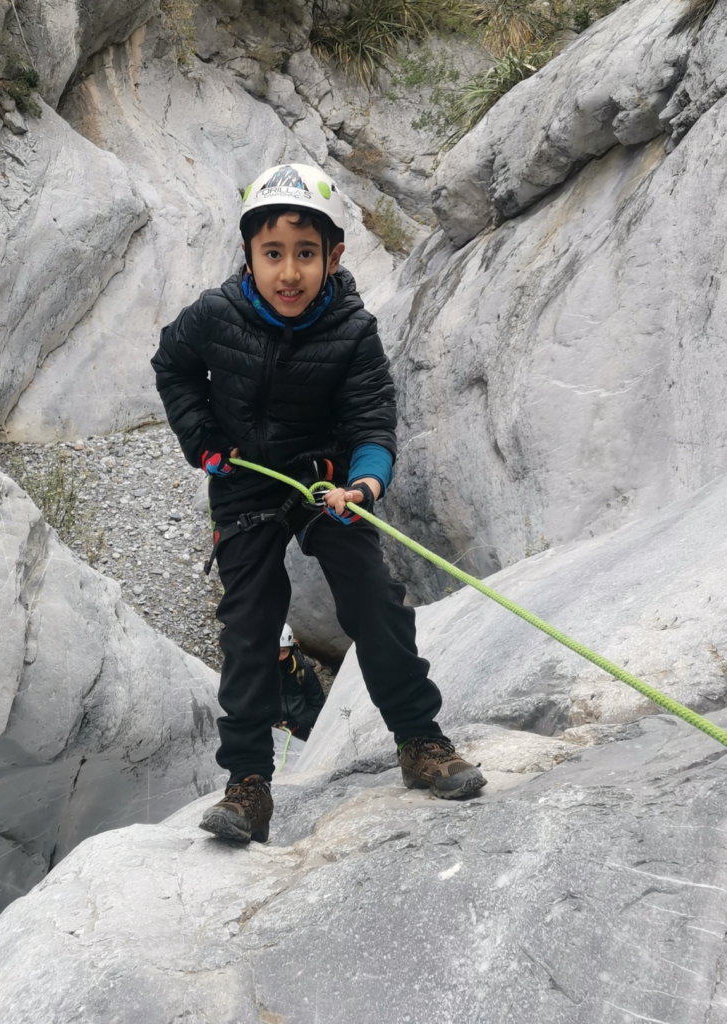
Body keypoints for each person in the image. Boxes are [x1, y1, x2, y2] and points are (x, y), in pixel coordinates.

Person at [152, 162, 486, 844]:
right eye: (272, 253)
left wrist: (362, 485)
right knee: (250, 622)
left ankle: (421, 742)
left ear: (334, 256)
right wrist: (204, 441)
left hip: (325, 482)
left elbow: (372, 421)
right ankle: (248, 786)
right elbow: (172, 365)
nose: (289, 272)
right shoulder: (216, 315)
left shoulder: (353, 332)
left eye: (307, 254)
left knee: (374, 600)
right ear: (248, 253)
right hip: (244, 478)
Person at [275, 623, 326, 741]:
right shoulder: (263, 672)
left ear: (291, 650)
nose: (280, 657)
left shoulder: (302, 670)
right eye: (276, 651)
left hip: (300, 732)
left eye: (284, 651)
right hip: (271, 729)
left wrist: (298, 723)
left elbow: (318, 705)